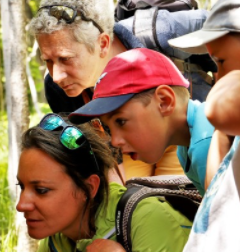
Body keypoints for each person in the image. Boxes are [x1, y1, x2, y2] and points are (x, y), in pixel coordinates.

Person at [29, 0, 216, 179]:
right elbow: (98, 149)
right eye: (48, 61)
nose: (57, 76)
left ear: (102, 44)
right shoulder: (57, 89)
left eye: (65, 59)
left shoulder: (161, 30)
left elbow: (230, 28)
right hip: (124, 142)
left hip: (183, 129)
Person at [16, 113, 193, 252]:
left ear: (89, 187)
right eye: (21, 186)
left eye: (41, 190)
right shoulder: (58, 242)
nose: (21, 205)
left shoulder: (149, 219)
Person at [166, 1, 240, 252]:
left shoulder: (226, 108)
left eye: (220, 62)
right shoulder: (229, 129)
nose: (216, 77)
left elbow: (217, 108)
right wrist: (223, 136)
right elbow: (214, 189)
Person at [69, 48, 214, 196]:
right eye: (108, 128)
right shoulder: (187, 147)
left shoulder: (206, 144)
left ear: (164, 101)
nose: (114, 141)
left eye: (121, 121)